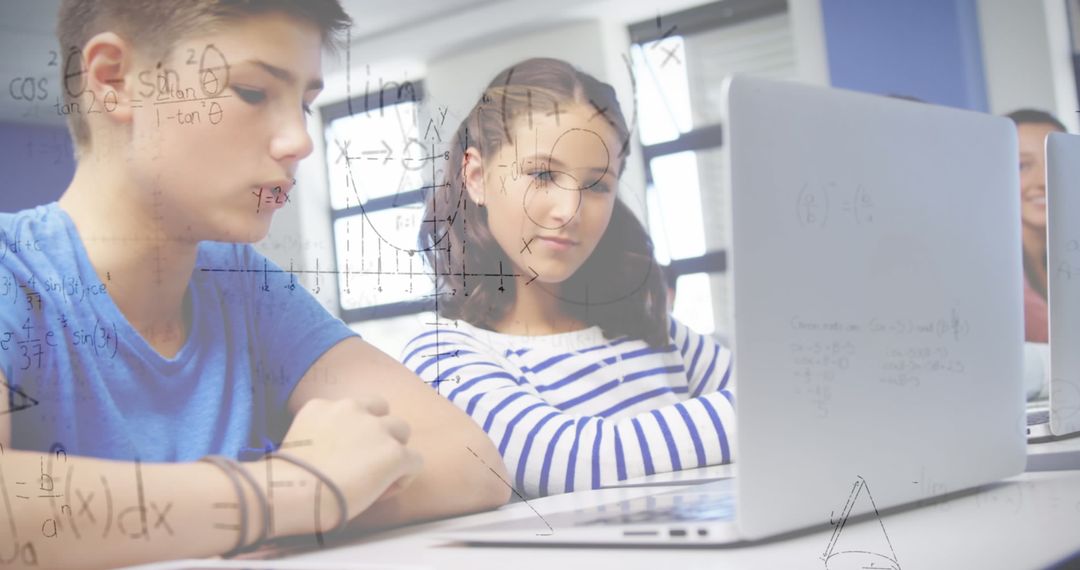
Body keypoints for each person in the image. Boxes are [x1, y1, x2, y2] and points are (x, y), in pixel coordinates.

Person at [0, 1, 507, 567]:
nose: (299, 141)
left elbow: (470, 463)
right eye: (250, 92)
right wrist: (296, 491)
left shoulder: (241, 283)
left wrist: (287, 503)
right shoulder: (11, 274)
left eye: (306, 104)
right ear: (114, 80)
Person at [401, 58, 734, 498]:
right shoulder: (444, 354)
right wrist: (761, 410)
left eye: (597, 186)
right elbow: (573, 462)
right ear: (477, 177)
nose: (570, 211)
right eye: (542, 175)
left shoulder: (649, 325)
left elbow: (782, 398)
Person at [1005, 109, 1067, 343]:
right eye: (1023, 166)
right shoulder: (990, 270)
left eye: (1055, 162)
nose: (1043, 180)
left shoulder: (1067, 259)